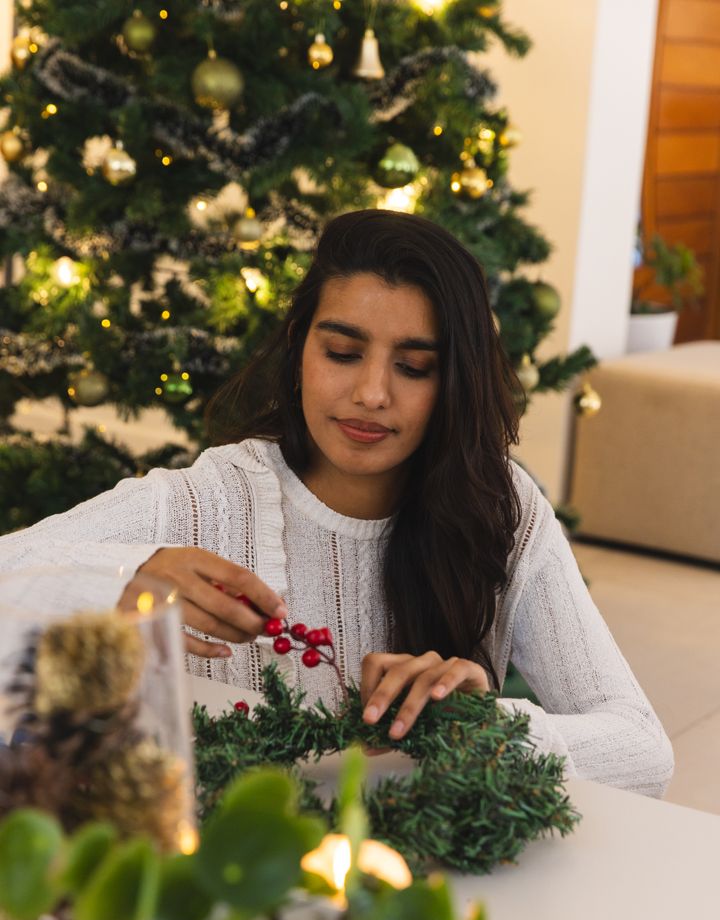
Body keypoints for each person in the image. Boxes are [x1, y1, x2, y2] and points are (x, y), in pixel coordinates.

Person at [0, 210, 673, 796]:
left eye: (414, 367)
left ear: (455, 380)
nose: (372, 393)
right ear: (300, 351)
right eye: (344, 352)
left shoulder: (502, 509)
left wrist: (482, 725)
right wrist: (124, 579)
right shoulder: (208, 502)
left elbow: (644, 752)